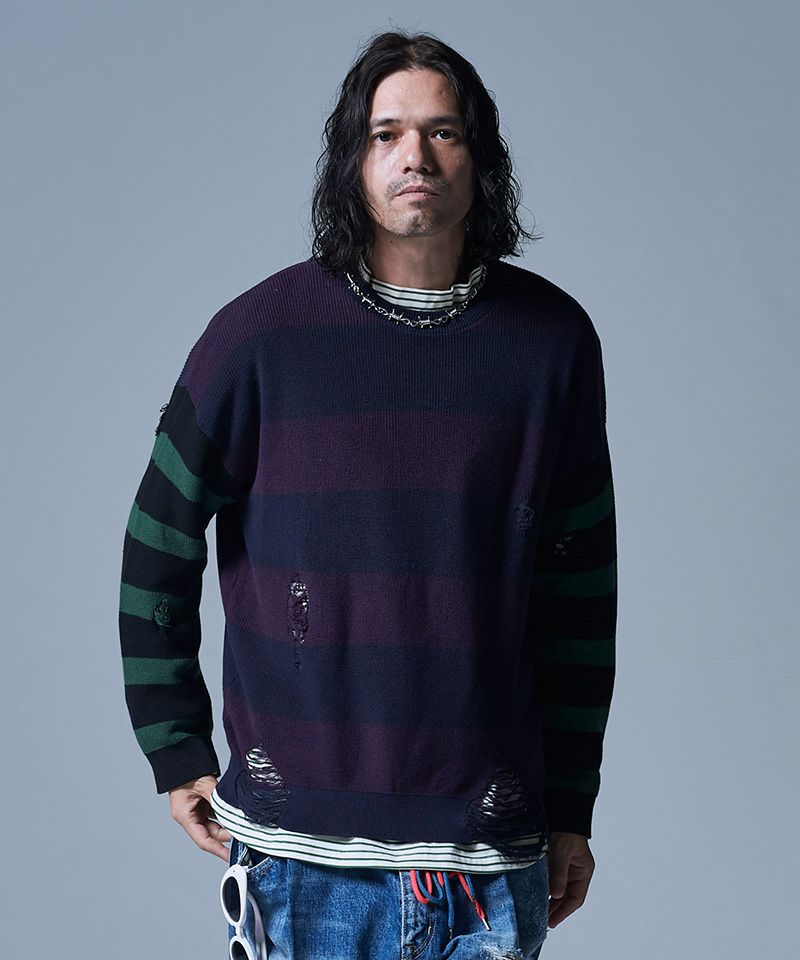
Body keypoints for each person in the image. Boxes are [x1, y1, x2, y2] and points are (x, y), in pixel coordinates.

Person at [118, 28, 617, 960]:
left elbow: (581, 596)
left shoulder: (552, 346)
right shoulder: (258, 339)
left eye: (442, 132)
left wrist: (572, 806)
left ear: (481, 158)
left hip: (488, 862)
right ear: (352, 160)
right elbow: (157, 544)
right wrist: (175, 748)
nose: (414, 156)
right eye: (386, 134)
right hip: (300, 865)